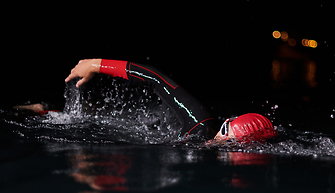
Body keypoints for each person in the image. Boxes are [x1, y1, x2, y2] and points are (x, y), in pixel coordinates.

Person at [65, 59, 277, 143]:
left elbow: (157, 80)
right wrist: (97, 64)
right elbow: (157, 80)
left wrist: (97, 64)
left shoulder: (201, 134)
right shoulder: (200, 125)